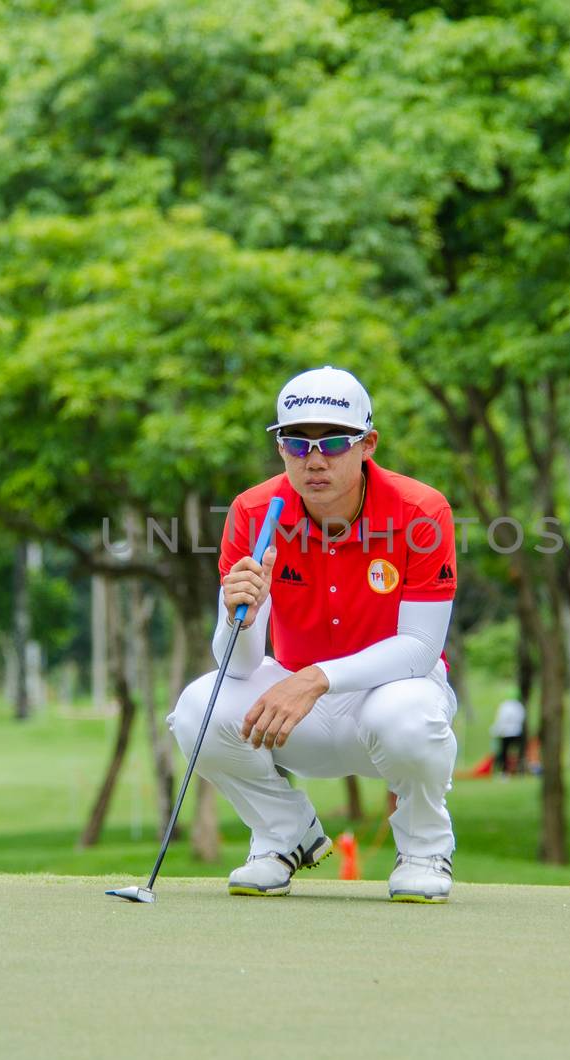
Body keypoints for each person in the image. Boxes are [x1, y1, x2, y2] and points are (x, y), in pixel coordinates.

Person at [167, 365, 460, 903]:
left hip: (389, 696)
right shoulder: (254, 513)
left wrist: (316, 679)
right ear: (280, 448)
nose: (315, 458)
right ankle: (283, 834)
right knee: (195, 709)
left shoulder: (421, 511)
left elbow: (420, 650)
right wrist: (244, 612)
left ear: (368, 443)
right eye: (296, 443)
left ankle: (423, 849)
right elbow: (238, 665)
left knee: (409, 715)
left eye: (333, 441)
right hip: (296, 706)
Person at [489, 697, 526, 776]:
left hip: (506, 733)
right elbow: (521, 718)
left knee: (504, 752)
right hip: (516, 731)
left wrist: (495, 731)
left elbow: (500, 719)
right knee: (516, 752)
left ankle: (504, 771)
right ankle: (519, 770)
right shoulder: (518, 706)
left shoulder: (503, 706)